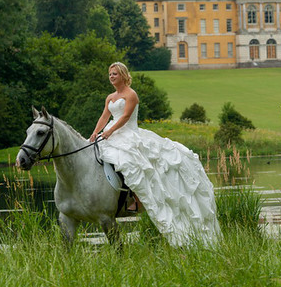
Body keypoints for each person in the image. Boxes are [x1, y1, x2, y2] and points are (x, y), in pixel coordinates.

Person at [89, 62, 220, 247]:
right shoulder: (110, 97)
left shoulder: (131, 94)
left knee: (128, 161)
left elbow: (125, 117)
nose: (111, 77)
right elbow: (104, 116)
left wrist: (111, 132)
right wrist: (96, 132)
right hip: (111, 131)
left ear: (123, 75)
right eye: (110, 74)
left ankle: (135, 197)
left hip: (127, 133)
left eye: (115, 74)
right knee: (96, 155)